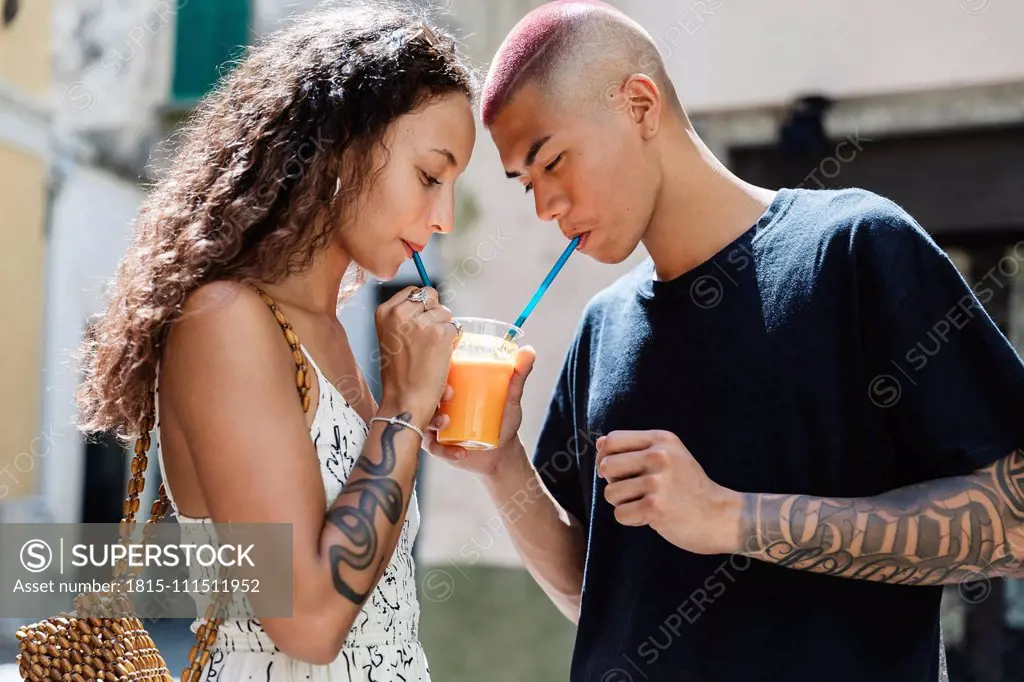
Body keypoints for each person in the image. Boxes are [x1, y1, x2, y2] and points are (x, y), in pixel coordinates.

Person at [427, 1, 1024, 681]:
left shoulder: (855, 249)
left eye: (554, 161)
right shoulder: (604, 326)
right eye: (526, 184)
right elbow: (596, 597)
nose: (545, 206)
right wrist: (501, 463)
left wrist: (732, 517)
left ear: (640, 106)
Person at [75, 3, 475, 680]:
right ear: (343, 141)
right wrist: (403, 407)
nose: (443, 218)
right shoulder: (225, 320)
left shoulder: (325, 330)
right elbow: (309, 621)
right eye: (430, 176)